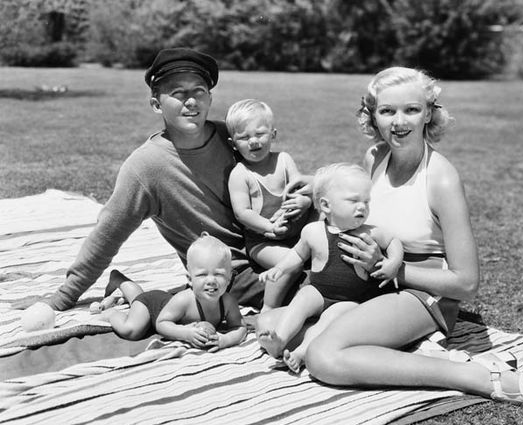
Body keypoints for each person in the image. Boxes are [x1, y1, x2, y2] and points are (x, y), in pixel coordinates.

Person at [304, 67, 523, 417]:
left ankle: (475, 375)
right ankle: (419, 351)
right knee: (301, 327)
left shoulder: (441, 178)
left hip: (424, 294)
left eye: (411, 109)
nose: (399, 121)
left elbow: (466, 283)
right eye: (387, 111)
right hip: (374, 283)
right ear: (372, 116)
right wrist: (311, 189)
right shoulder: (375, 158)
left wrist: (393, 268)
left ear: (429, 114)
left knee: (323, 356)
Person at [25, 47, 307, 312]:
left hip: (274, 244)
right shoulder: (145, 167)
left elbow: (277, 176)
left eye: (199, 90)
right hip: (228, 273)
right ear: (156, 105)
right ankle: (129, 290)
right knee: (323, 290)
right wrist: (65, 296)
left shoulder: (230, 138)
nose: (191, 100)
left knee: (337, 263)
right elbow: (107, 234)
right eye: (178, 93)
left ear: (210, 97)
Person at [256, 163, 403, 373]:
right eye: (353, 200)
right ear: (326, 206)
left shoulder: (370, 233)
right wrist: (279, 269)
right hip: (319, 292)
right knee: (303, 298)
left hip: (349, 300)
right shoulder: (312, 231)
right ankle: (279, 338)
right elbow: (297, 254)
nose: (362, 207)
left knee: (330, 318)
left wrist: (393, 263)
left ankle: (302, 352)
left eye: (366, 201)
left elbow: (393, 241)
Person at [226, 99, 314, 313]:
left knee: (323, 218)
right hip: (263, 241)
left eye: (260, 134)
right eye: (244, 137)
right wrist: (268, 227)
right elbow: (242, 212)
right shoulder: (240, 174)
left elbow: (300, 188)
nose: (253, 141)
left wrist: (304, 201)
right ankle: (269, 307)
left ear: (273, 134)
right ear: (233, 143)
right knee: (290, 264)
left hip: (296, 231)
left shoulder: (284, 160)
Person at [96, 234, 247, 351]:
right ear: (189, 278)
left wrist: (225, 340)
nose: (211, 281)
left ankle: (119, 280)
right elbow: (161, 323)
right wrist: (185, 333)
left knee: (136, 298)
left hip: (163, 303)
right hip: (151, 306)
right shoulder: (184, 300)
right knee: (133, 330)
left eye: (219, 274)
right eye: (202, 275)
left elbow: (240, 327)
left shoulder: (227, 302)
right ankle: (111, 313)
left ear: (229, 278)